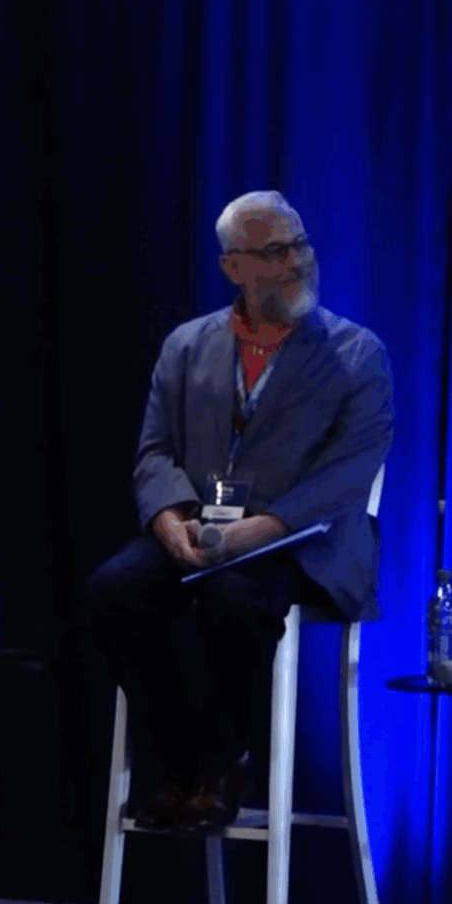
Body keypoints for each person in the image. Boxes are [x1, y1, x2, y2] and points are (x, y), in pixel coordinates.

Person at [84, 191, 393, 833]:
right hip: (203, 530)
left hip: (304, 541)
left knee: (234, 597)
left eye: (301, 244)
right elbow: (154, 451)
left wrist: (263, 529)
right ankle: (184, 764)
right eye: (276, 251)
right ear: (233, 268)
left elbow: (349, 471)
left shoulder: (357, 354)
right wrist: (169, 520)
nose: (298, 261)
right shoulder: (186, 346)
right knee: (115, 590)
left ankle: (220, 765)